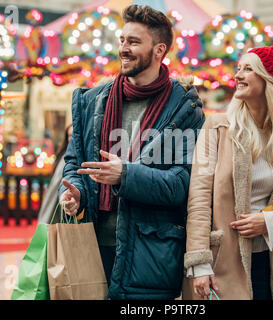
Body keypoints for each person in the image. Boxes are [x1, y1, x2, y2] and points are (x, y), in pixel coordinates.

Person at [58, 4, 204, 300]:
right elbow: (76, 161)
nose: (123, 48)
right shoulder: (93, 101)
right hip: (92, 245)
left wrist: (126, 175)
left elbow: (180, 184)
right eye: (122, 40)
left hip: (150, 253)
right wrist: (76, 192)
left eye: (134, 42)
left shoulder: (184, 108)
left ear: (160, 50)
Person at [182, 46, 273, 300]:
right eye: (238, 68)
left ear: (270, 79)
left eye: (248, 69)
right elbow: (199, 198)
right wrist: (200, 263)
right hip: (221, 262)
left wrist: (272, 221)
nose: (238, 75)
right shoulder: (217, 127)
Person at [38, 124, 73, 224]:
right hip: (57, 199)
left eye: (74, 135)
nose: (71, 139)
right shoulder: (64, 156)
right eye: (69, 135)